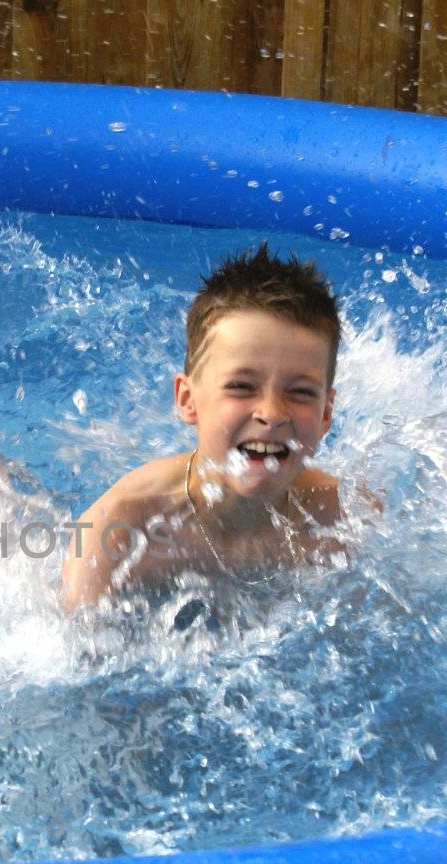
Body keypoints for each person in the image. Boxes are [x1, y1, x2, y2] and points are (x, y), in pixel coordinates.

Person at [60, 244, 342, 612]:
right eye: (242, 386)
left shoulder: (340, 519)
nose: (272, 413)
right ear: (188, 400)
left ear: (326, 414)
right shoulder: (119, 530)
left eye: (301, 392)